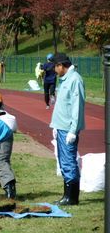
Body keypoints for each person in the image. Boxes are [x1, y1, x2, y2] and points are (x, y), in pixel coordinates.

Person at [50, 53, 85, 205]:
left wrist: (73, 130)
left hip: (68, 129)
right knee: (64, 162)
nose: (54, 71)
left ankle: (71, 197)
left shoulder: (75, 80)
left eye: (55, 67)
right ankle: (67, 195)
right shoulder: (65, 79)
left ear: (61, 65)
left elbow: (77, 107)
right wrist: (55, 125)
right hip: (61, 127)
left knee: (69, 161)